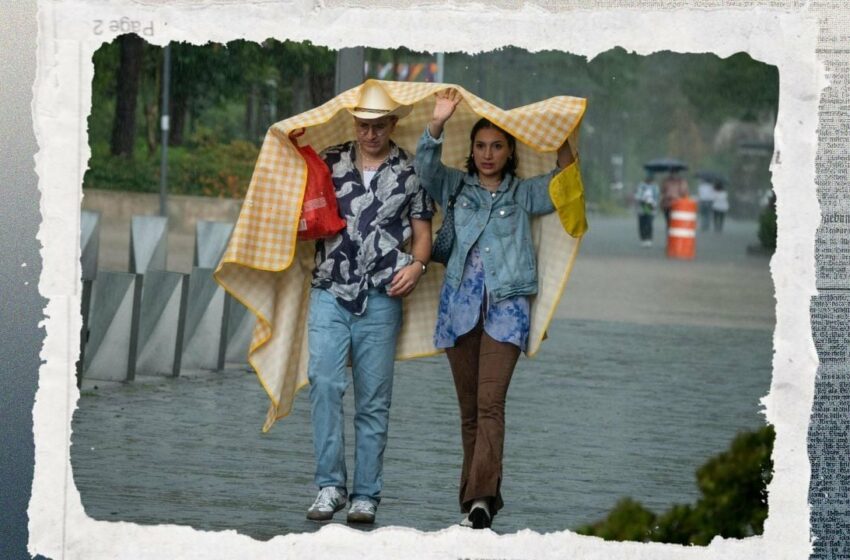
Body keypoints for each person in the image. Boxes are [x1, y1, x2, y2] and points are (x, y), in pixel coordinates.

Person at [414, 88, 575, 530]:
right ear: (472, 150)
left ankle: (481, 498)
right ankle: (477, 503)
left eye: (497, 146)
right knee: (469, 411)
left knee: (490, 404)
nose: (488, 154)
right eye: (481, 146)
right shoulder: (455, 186)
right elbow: (423, 169)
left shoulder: (522, 195)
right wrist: (438, 122)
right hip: (458, 310)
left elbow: (565, 184)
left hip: (507, 311)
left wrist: (562, 136)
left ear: (510, 153)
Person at [305, 83, 434, 524]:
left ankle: (366, 495)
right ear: (353, 124)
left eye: (379, 126)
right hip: (329, 288)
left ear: (393, 125)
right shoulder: (329, 161)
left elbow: (422, 235)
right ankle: (329, 486)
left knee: (373, 399)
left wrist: (416, 268)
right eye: (363, 126)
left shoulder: (411, 171)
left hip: (382, 296)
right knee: (323, 382)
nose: (370, 134)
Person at [635, 174, 660, 246]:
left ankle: (649, 238)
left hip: (651, 207)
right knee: (642, 223)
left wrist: (654, 204)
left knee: (649, 223)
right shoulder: (641, 186)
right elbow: (638, 196)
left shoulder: (655, 187)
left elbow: (656, 197)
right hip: (642, 206)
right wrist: (641, 200)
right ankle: (643, 238)